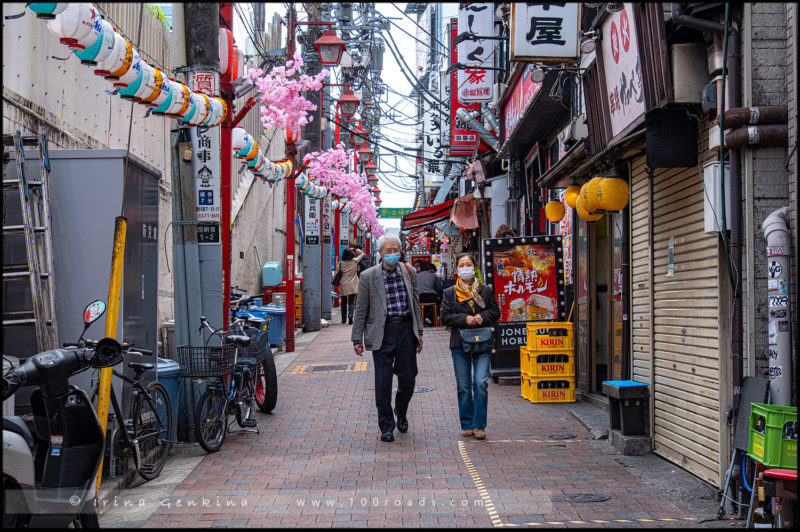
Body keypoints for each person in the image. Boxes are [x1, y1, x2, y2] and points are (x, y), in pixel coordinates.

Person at [351, 233, 424, 442]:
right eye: (388, 250)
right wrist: (357, 339)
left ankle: (401, 412)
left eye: (396, 250)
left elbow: (415, 304)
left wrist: (419, 332)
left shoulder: (409, 272)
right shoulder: (368, 276)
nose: (392, 254)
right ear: (380, 252)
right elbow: (361, 309)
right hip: (381, 333)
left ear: (401, 251)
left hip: (405, 331)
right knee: (383, 382)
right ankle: (386, 426)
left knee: (408, 378)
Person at [440, 252, 501, 440]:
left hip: (482, 341)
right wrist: (465, 319)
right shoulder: (450, 293)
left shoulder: (486, 290)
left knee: (481, 383)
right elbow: (445, 317)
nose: (465, 267)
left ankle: (479, 425)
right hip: (459, 343)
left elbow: (496, 312)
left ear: (474, 268)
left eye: (468, 264)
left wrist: (483, 317)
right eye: (461, 265)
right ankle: (467, 423)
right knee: (464, 386)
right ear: (457, 269)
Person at [334, 247, 363, 325]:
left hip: (343, 284)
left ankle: (343, 319)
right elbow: (362, 254)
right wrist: (355, 249)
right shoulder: (355, 261)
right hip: (353, 283)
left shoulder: (340, 263)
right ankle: (350, 315)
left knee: (343, 302)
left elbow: (336, 273)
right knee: (351, 302)